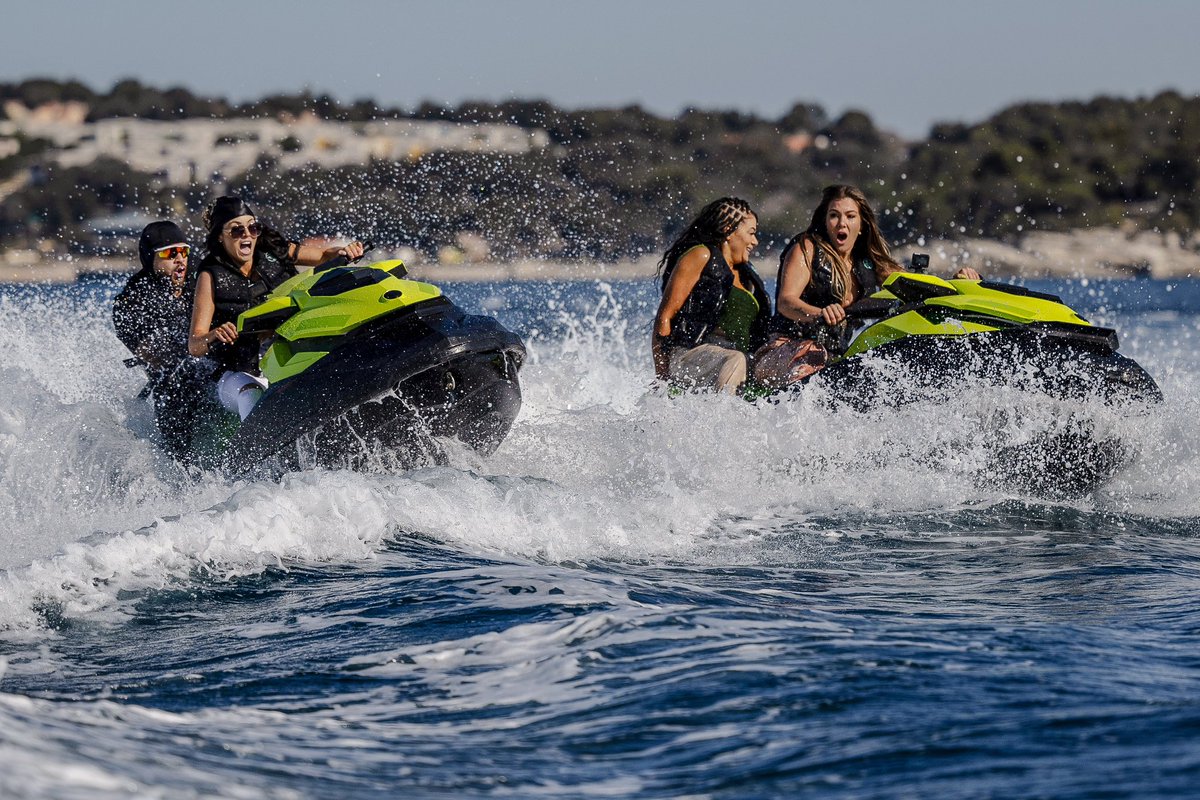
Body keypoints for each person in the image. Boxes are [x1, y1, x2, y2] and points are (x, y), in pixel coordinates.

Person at [753, 184, 980, 388]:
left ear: (861, 224)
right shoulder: (808, 247)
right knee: (815, 354)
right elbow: (786, 302)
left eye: (850, 216)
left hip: (833, 358)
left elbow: (914, 286)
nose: (842, 223)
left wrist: (955, 283)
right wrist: (819, 313)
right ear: (825, 221)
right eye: (834, 216)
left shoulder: (869, 261)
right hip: (781, 351)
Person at [188, 196, 365, 420]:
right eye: (236, 231)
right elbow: (195, 344)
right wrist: (215, 334)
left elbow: (323, 255)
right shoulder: (209, 275)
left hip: (283, 361)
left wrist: (344, 251)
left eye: (253, 228)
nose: (247, 235)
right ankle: (254, 453)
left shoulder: (275, 251)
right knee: (250, 393)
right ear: (220, 237)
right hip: (236, 376)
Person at [652, 197, 772, 394]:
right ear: (727, 228)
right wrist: (662, 378)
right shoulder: (700, 255)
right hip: (690, 357)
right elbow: (665, 316)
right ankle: (722, 421)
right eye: (751, 233)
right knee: (736, 360)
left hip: (736, 359)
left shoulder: (747, 277)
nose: (755, 241)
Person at [112, 220, 210, 458]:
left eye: (184, 251)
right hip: (170, 381)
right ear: (150, 259)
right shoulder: (132, 300)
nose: (180, 260)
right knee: (176, 382)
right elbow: (150, 353)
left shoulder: (200, 276)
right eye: (169, 253)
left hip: (213, 363)